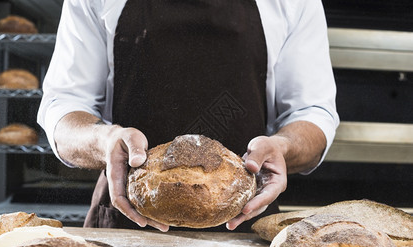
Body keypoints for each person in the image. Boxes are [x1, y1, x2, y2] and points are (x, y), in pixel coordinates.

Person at [38, 0, 339, 233]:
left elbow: (312, 112)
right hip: (129, 224)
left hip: (244, 222)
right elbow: (63, 105)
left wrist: (283, 147)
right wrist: (104, 141)